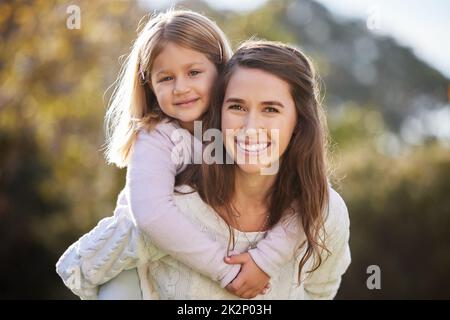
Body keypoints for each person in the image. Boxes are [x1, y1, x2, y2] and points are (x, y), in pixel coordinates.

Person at [57, 39, 351, 300]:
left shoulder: (325, 211)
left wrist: (268, 258)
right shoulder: (178, 209)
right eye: (236, 107)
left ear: (299, 122)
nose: (250, 128)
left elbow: (320, 290)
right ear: (216, 112)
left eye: (271, 109)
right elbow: (85, 270)